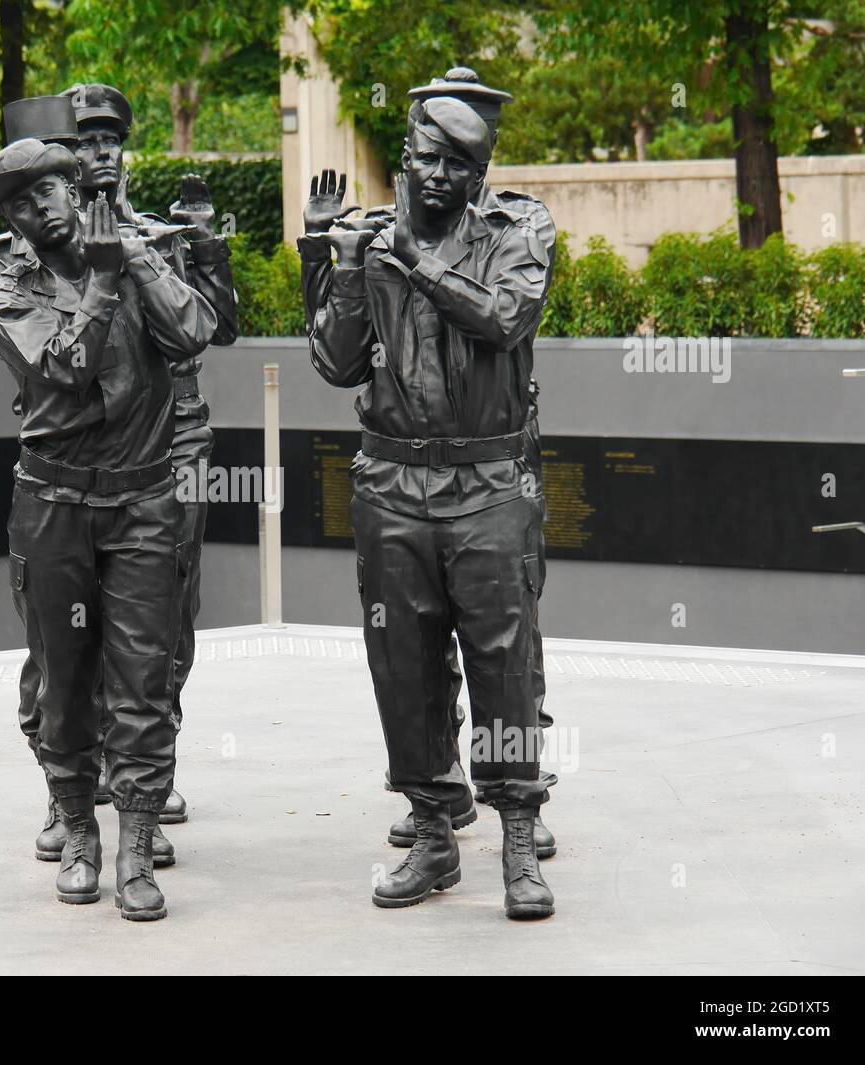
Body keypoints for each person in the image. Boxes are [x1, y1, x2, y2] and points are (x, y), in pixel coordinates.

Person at [302, 96, 556, 919]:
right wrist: (342, 268)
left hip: (487, 484)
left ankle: (518, 834)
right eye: (425, 157)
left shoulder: (519, 234)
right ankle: (431, 826)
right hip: (391, 484)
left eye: (457, 164)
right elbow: (337, 367)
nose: (437, 175)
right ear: (405, 155)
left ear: (480, 175)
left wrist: (418, 259)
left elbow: (505, 317)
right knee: (401, 664)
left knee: (503, 662)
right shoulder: (373, 240)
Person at [0, 135, 216, 920]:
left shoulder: (136, 250)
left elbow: (195, 331)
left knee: (144, 676)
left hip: (144, 501)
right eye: (18, 203)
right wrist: (105, 281)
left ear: (74, 188)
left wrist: (135, 261)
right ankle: (79, 830)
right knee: (62, 679)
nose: (36, 209)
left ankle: (137, 848)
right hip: (54, 503)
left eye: (46, 190)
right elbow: (65, 368)